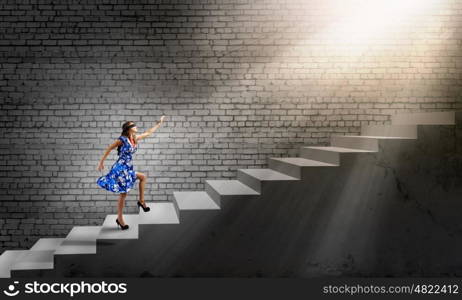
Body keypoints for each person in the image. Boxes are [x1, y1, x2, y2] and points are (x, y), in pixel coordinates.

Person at [96, 116, 166, 230]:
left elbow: (148, 133)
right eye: (133, 125)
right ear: (128, 129)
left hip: (127, 168)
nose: (136, 126)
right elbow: (109, 148)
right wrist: (101, 163)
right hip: (120, 168)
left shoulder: (134, 138)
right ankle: (120, 219)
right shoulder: (122, 140)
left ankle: (141, 201)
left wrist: (159, 124)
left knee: (143, 177)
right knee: (123, 194)